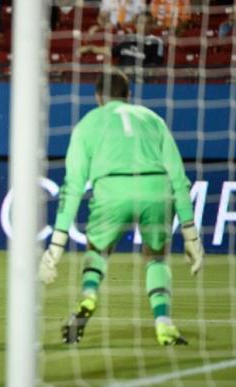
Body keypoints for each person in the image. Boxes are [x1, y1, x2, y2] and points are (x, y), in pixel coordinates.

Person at [40, 69, 204, 346]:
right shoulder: (152, 119)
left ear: (97, 96)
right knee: (156, 256)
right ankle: (164, 324)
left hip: (112, 190)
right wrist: (191, 234)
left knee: (98, 250)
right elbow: (179, 178)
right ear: (128, 95)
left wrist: (55, 247)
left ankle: (89, 296)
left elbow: (73, 186)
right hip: (156, 189)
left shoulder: (88, 123)